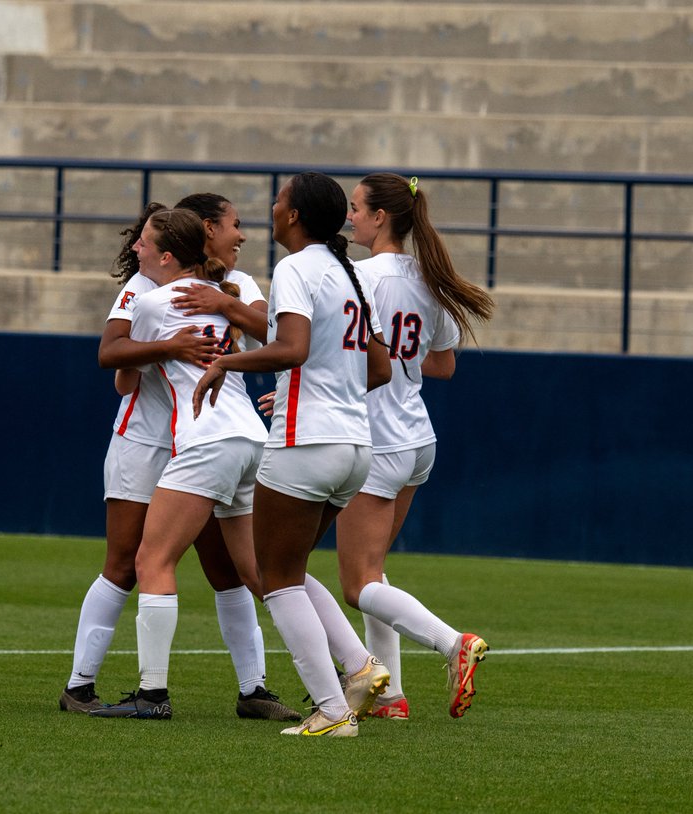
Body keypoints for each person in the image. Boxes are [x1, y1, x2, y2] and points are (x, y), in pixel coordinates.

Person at [60, 196, 300, 722]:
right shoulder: (142, 289)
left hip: (200, 440)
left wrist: (225, 312)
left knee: (228, 572)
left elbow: (273, 330)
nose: (240, 235)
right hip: (149, 441)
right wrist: (169, 346)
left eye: (147, 238)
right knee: (126, 563)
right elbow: (117, 365)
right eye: (234, 226)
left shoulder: (233, 289)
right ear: (205, 233)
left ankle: (247, 688)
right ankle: (80, 685)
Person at [194, 171, 394, 737]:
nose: (272, 210)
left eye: (279, 202)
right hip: (356, 447)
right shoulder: (348, 273)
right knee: (293, 568)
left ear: (295, 216)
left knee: (275, 578)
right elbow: (379, 368)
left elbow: (292, 348)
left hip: (306, 444)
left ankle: (332, 712)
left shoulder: (297, 268)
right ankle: (359, 667)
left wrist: (228, 362)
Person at [335, 173, 495, 719]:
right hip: (416, 438)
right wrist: (403, 358)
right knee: (373, 572)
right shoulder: (432, 278)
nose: (349, 216)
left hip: (376, 438)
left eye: (356, 207)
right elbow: (443, 364)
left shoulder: (361, 276)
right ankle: (391, 698)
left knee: (357, 584)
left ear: (381, 217)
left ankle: (455, 644)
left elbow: (346, 353)